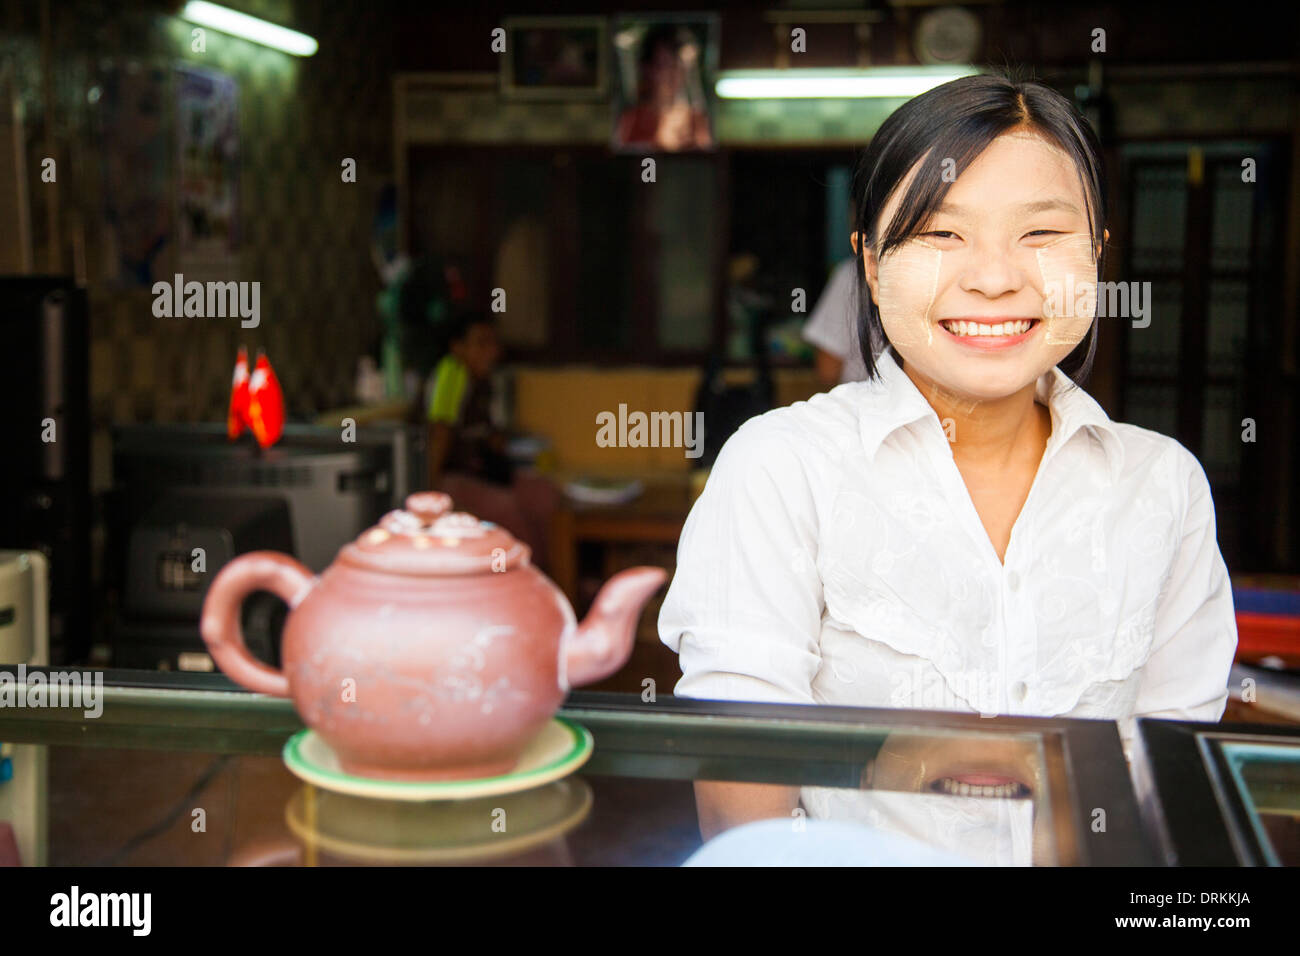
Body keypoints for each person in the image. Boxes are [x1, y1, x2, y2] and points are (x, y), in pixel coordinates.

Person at [658, 71, 1238, 841]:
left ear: (1096, 254)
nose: (995, 279)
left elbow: (1171, 791)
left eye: (1041, 234)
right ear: (870, 264)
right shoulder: (781, 468)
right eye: (940, 233)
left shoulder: (1163, 486)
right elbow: (746, 817)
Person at [426, 310, 559, 572]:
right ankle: (528, 584)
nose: (492, 351)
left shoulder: (485, 382)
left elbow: (488, 435)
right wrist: (430, 491)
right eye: (481, 343)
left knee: (544, 495)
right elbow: (439, 433)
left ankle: (555, 580)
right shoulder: (452, 373)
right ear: (458, 347)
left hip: (485, 473)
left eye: (493, 343)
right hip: (452, 477)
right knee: (507, 510)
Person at [614, 24, 713, 151]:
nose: (674, 74)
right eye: (666, 65)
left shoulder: (696, 123)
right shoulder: (631, 121)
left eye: (679, 66)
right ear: (647, 68)